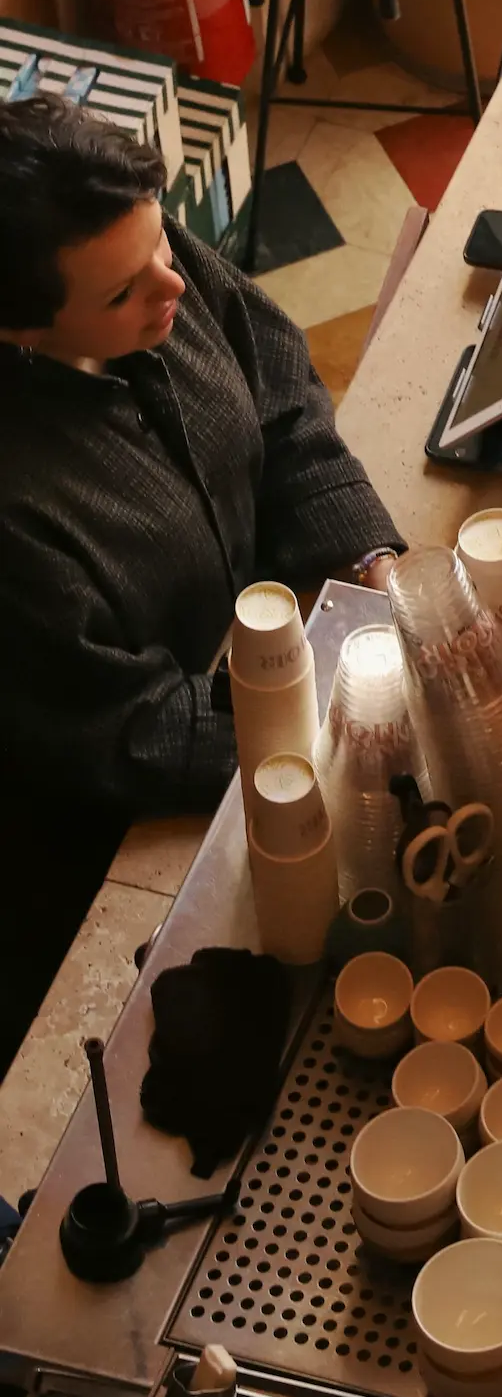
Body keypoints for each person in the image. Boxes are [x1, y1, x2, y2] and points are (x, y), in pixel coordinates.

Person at [0, 98, 404, 1075]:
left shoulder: (137, 261)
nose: (173, 282)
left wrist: (375, 571)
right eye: (124, 293)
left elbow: (281, 405)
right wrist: (333, 731)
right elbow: (126, 729)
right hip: (101, 833)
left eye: (163, 244)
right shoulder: (17, 513)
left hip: (251, 671)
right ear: (18, 328)